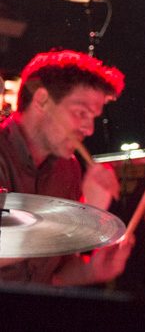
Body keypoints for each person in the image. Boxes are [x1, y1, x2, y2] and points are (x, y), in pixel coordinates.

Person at [0, 50, 134, 285]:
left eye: (93, 116)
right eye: (80, 112)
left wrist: (91, 271)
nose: (89, 129)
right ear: (42, 101)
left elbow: (54, 275)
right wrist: (84, 218)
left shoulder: (69, 169)